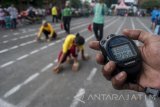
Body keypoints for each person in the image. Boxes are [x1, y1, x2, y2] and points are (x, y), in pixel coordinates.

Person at [89, 29, 160, 92]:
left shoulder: (109, 43)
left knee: (115, 71)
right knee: (111, 67)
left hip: (132, 66)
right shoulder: (124, 39)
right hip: (133, 65)